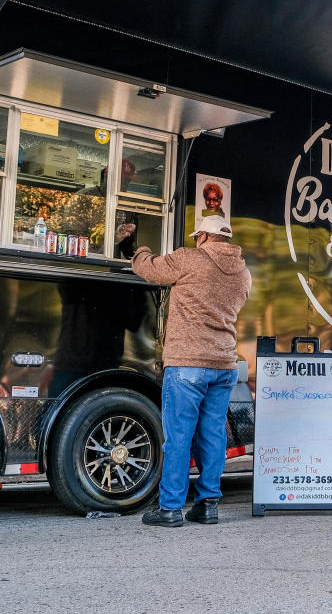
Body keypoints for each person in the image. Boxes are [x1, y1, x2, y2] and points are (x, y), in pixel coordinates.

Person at [133, 215, 252, 527]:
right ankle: (207, 505)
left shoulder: (190, 259)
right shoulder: (243, 272)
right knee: (212, 436)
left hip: (188, 363)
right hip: (224, 364)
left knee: (178, 437)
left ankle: (170, 507)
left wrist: (138, 248)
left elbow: (149, 270)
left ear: (201, 236)